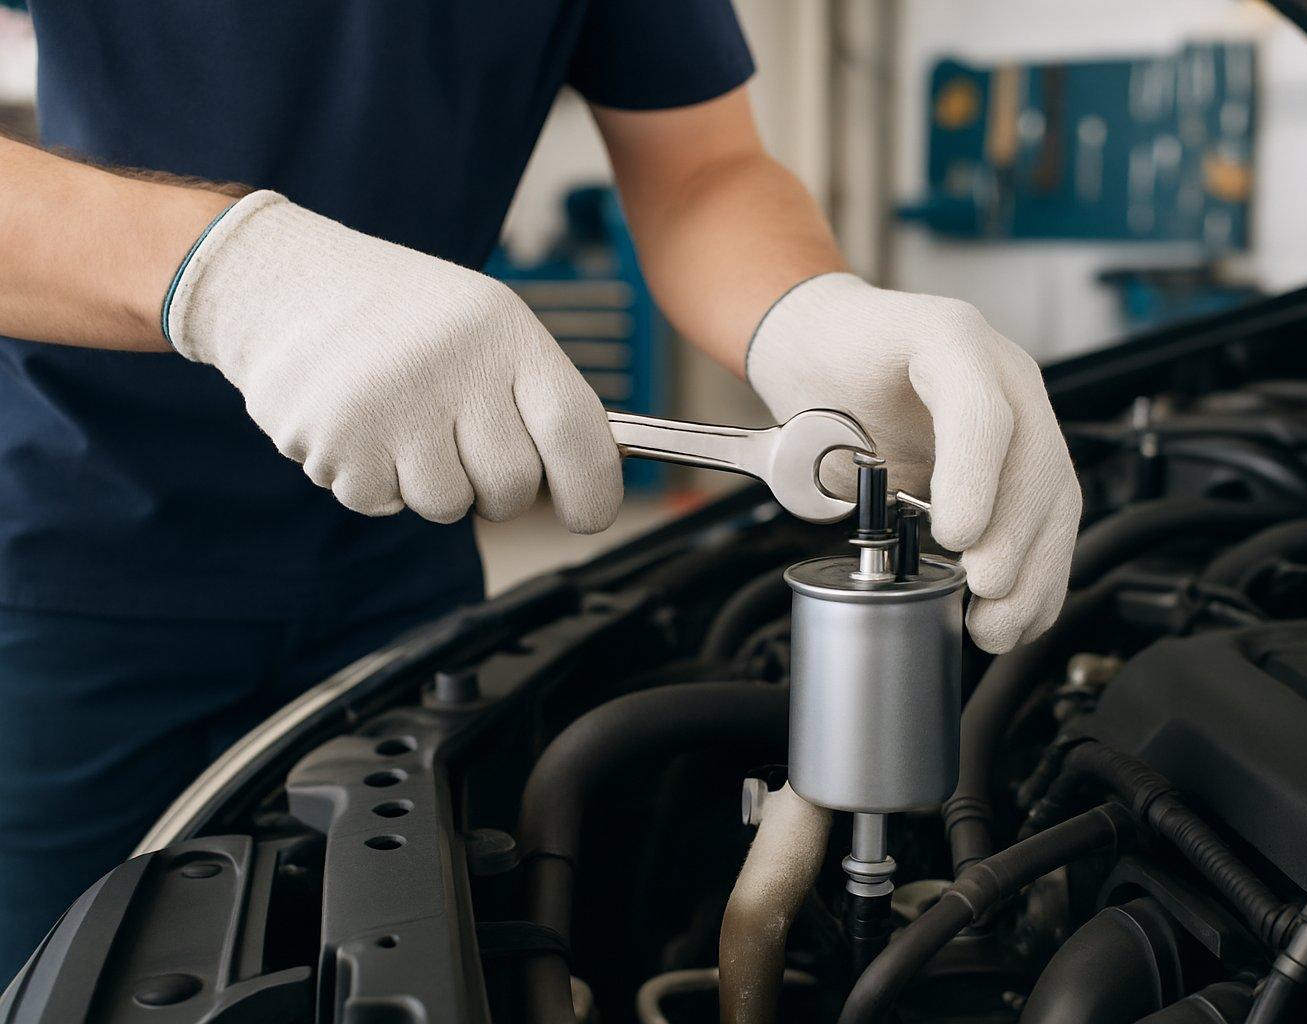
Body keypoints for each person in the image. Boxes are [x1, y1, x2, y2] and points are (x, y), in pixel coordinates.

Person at [0, 0, 1080, 975]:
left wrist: (803, 310)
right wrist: (225, 274)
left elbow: (702, 166)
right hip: (63, 567)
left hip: (402, 567)